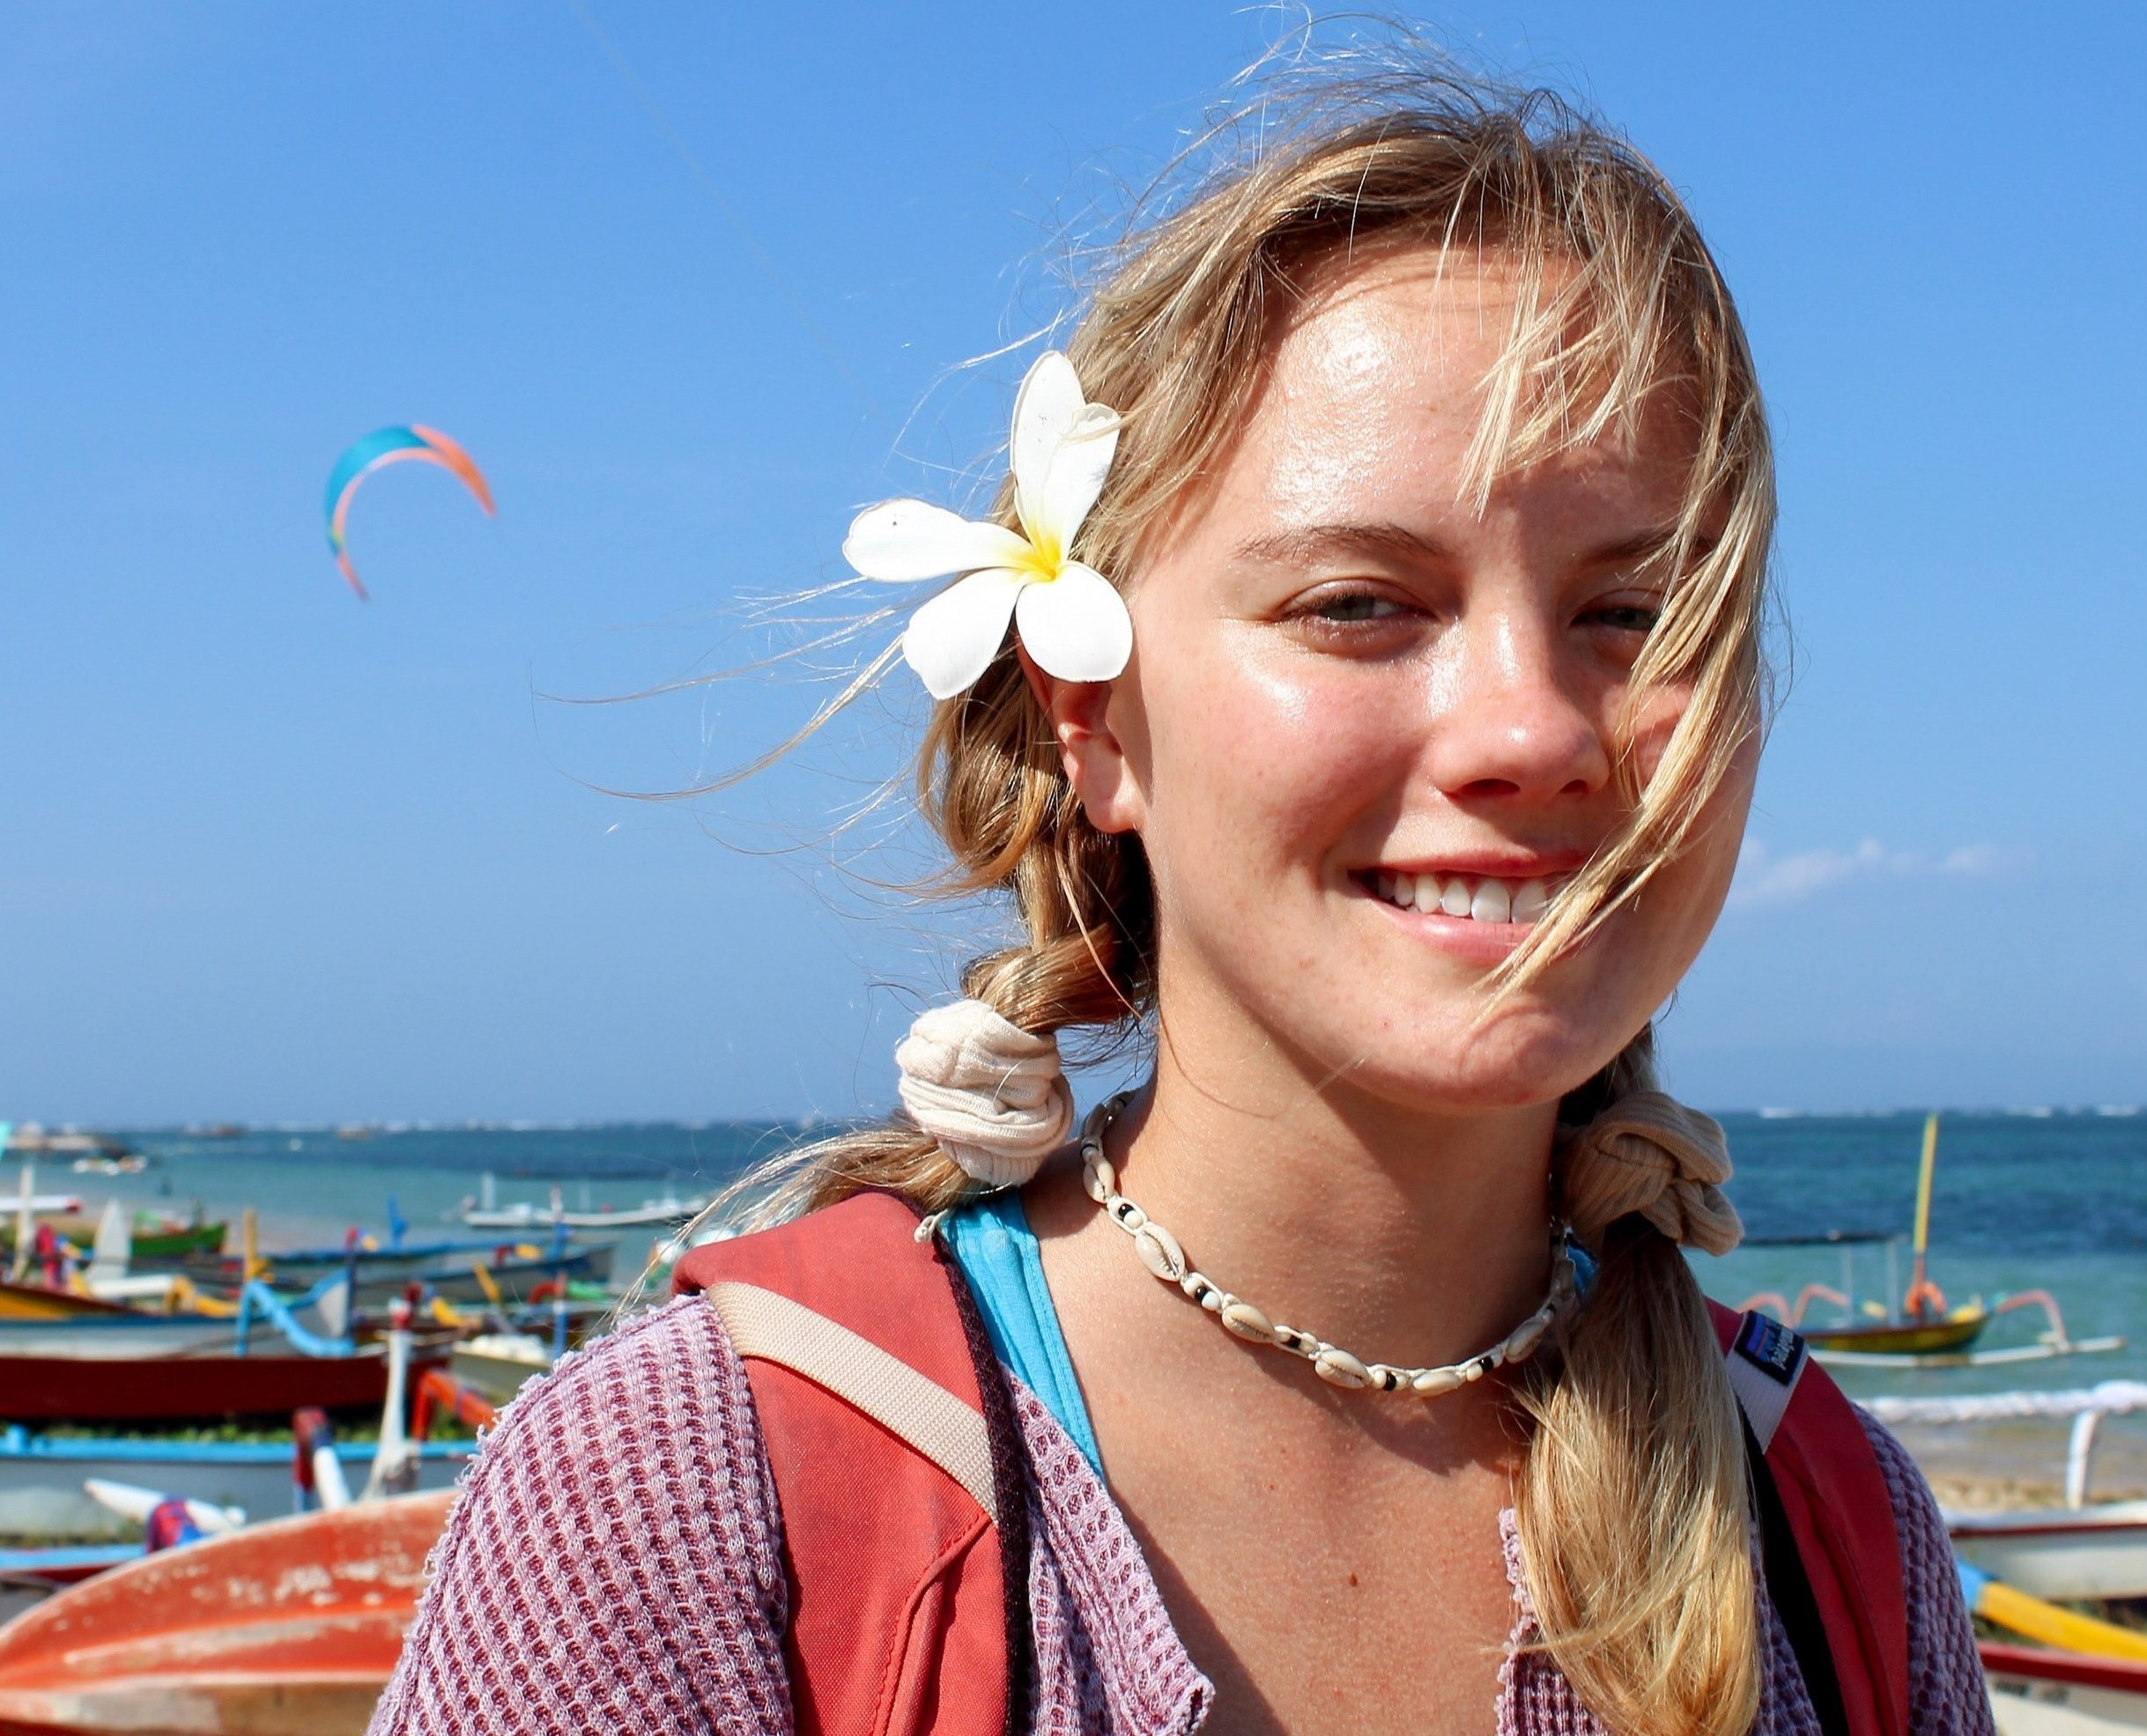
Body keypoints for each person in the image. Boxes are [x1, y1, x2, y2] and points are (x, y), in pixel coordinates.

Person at [373, 64, 1992, 1736]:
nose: (1532, 728)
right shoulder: (701, 1496)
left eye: (1636, 612)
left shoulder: (1825, 1525)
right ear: (1092, 721)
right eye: (1360, 602)